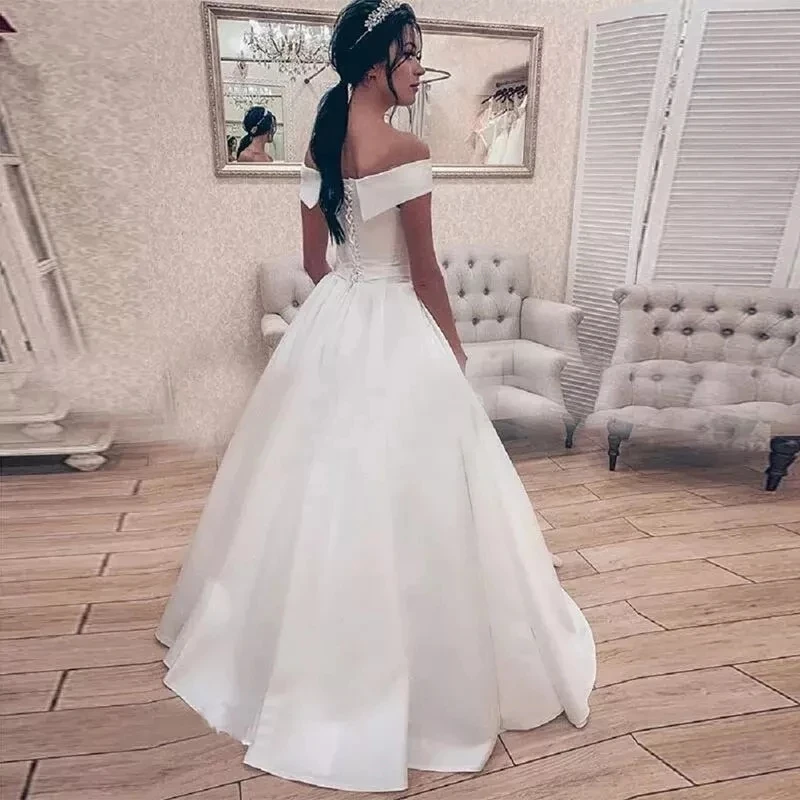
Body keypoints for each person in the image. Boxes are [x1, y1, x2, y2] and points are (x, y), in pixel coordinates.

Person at [156, 0, 595, 792]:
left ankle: (290, 649)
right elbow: (425, 273)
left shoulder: (320, 144)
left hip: (337, 316)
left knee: (309, 486)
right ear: (373, 63)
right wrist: (453, 349)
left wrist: (349, 300)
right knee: (416, 488)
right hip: (396, 319)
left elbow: (314, 264)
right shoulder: (407, 148)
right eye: (411, 53)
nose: (421, 68)